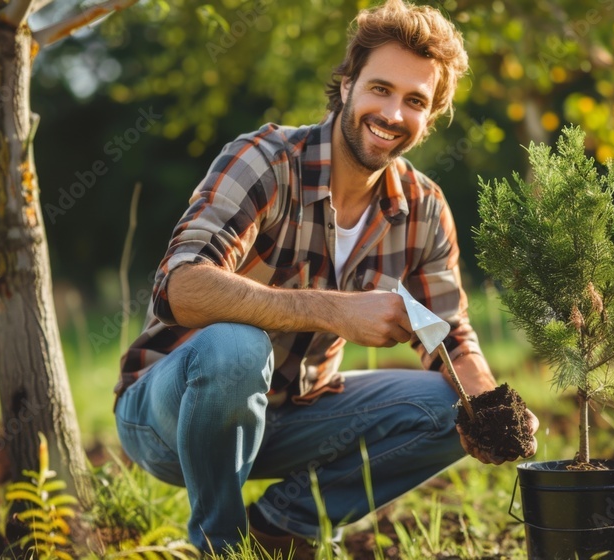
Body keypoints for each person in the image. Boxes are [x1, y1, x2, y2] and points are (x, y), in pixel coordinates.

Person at [114, 0, 539, 555]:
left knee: (447, 406)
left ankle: (280, 528)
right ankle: (219, 546)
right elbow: (180, 287)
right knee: (236, 347)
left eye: (415, 101)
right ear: (345, 86)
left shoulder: (424, 208)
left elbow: (451, 337)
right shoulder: (266, 160)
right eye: (380, 89)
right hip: (174, 419)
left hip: (294, 418)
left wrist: (492, 409)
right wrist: (334, 309)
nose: (392, 114)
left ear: (429, 118)